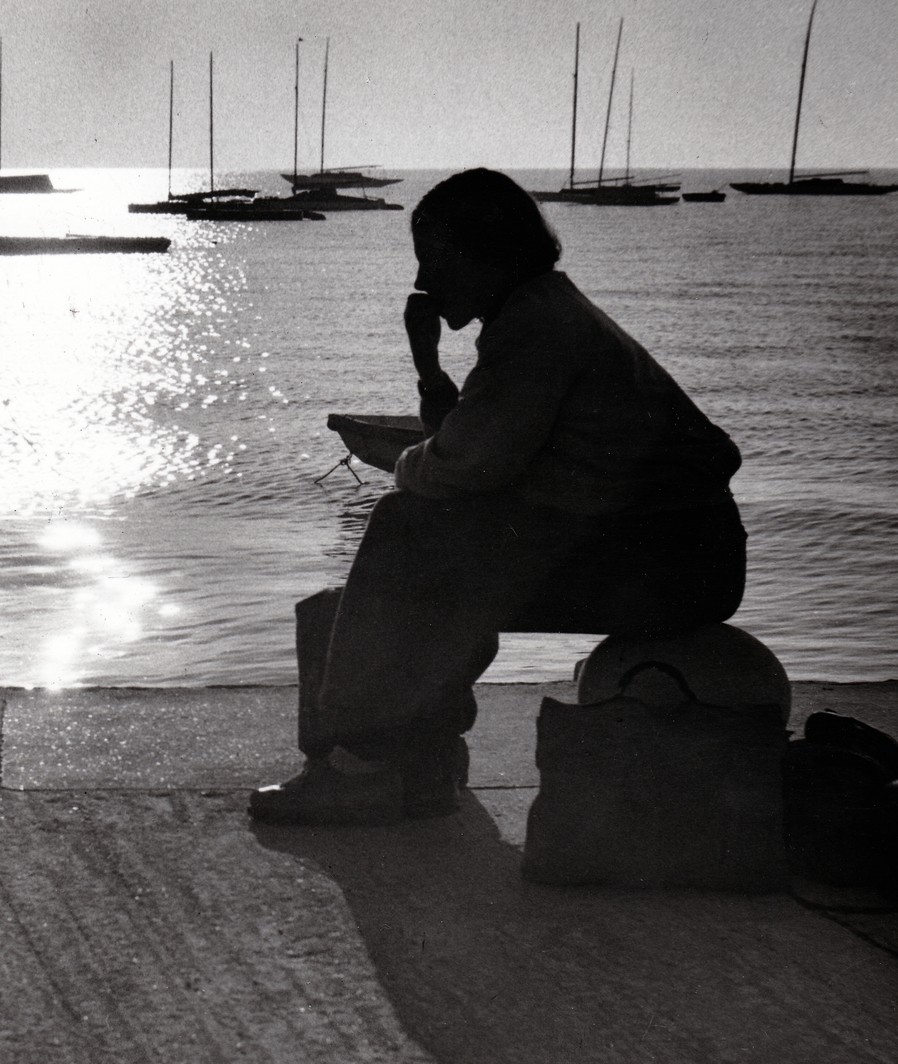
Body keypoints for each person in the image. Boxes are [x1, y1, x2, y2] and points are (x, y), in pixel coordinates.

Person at [250, 168, 747, 825]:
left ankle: (359, 763)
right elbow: (474, 446)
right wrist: (428, 366)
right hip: (666, 553)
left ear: (487, 255)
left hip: (672, 566)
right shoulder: (539, 312)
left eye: (433, 260)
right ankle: (419, 762)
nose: (424, 282)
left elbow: (461, 465)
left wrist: (407, 466)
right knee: (438, 552)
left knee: (406, 528)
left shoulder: (537, 328)